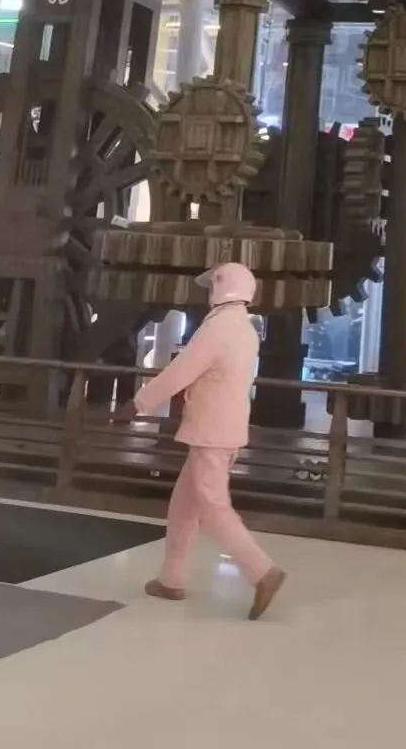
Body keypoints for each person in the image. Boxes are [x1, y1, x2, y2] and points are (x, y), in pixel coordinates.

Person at [118, 260, 285, 620]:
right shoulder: (245, 329)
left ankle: (262, 571)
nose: (209, 292)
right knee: (184, 508)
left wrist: (139, 403)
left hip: (211, 433)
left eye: (212, 286)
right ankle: (172, 579)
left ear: (222, 287)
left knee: (213, 506)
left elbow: (180, 372)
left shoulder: (217, 329)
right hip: (224, 430)